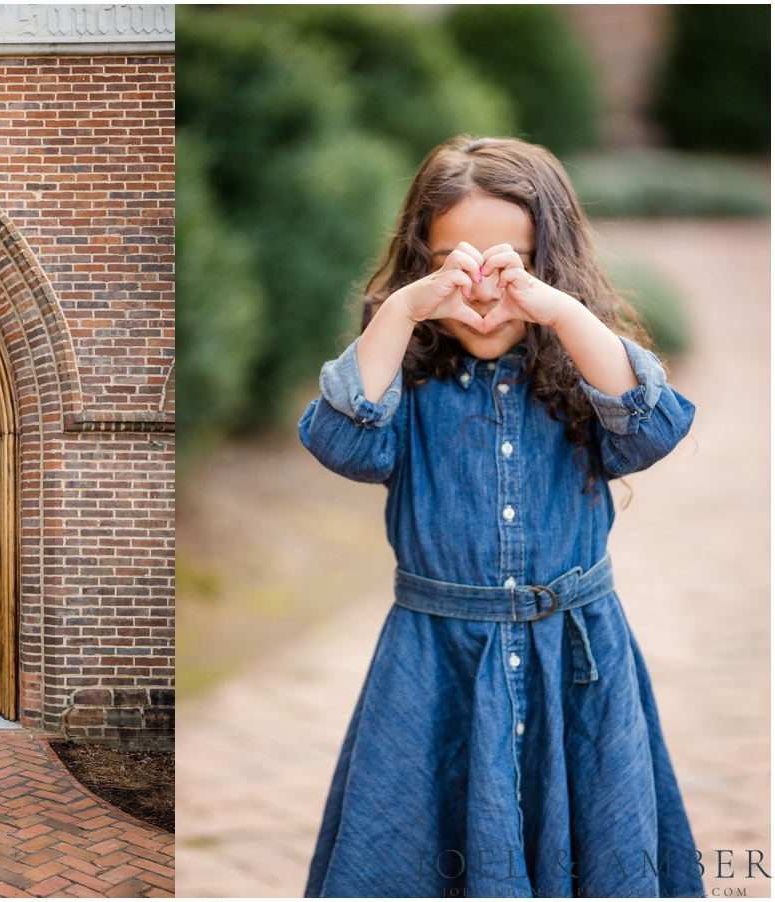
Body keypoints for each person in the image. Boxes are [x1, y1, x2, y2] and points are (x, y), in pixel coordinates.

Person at [298, 137, 702, 898]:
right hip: (434, 664)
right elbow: (341, 439)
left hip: (576, 667)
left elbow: (651, 426)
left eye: (512, 263)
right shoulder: (409, 385)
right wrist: (407, 307)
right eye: (453, 263)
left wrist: (556, 310)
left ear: (555, 264)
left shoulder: (580, 374)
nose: (483, 290)